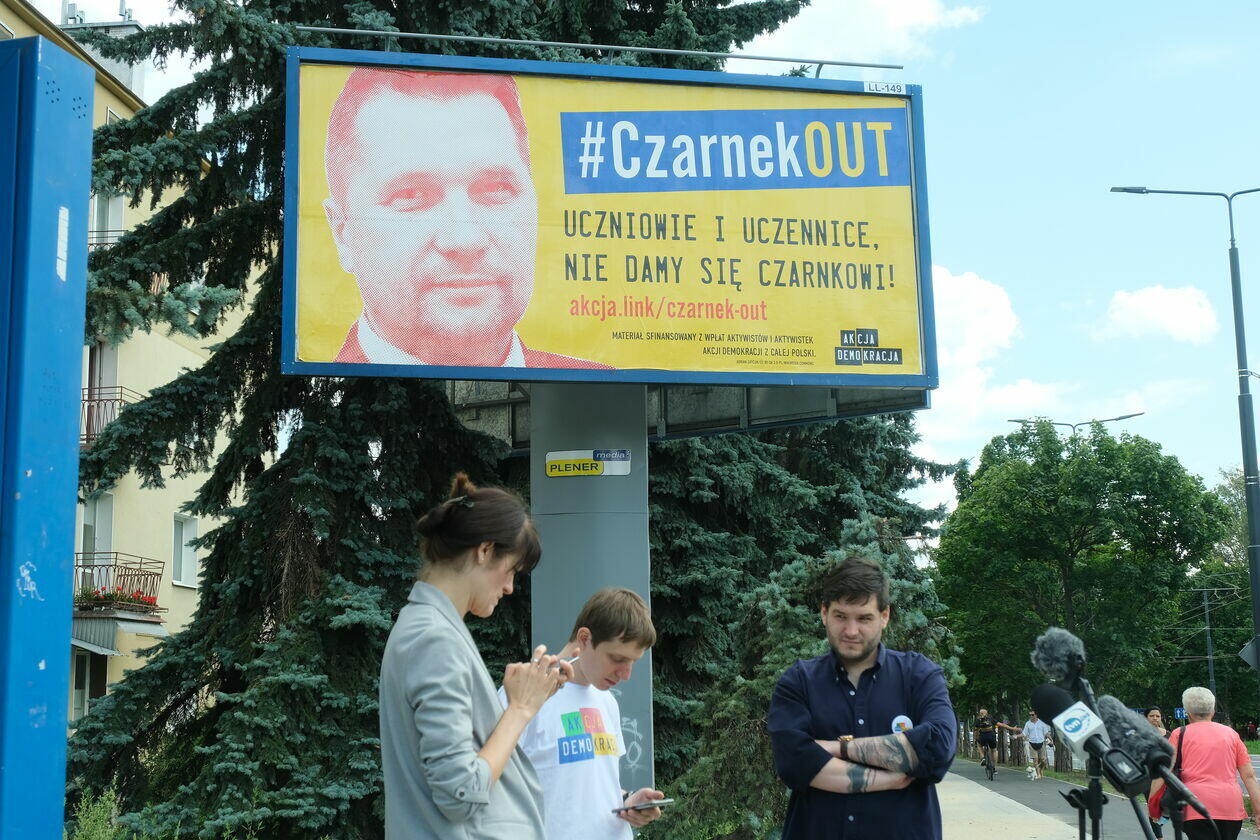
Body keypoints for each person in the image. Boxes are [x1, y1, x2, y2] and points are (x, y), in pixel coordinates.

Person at [322, 68, 612, 371]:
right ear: (343, 233)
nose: (465, 239)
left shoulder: (603, 383)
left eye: (496, 188)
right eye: (410, 194)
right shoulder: (313, 396)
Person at [379, 473, 573, 839]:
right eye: (511, 570)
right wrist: (520, 710)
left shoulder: (427, 627)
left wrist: (532, 694)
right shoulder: (434, 639)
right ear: (484, 550)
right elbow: (461, 794)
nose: (510, 587)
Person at [768, 556, 957, 840]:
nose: (851, 631)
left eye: (864, 618)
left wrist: (836, 748)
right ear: (824, 613)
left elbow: (938, 749)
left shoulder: (920, 675)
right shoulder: (798, 681)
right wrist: (887, 779)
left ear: (884, 616)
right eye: (840, 616)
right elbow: (793, 763)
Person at [503, 587, 666, 840]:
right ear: (584, 638)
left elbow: (593, 785)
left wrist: (628, 800)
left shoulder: (607, 701)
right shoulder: (522, 694)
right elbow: (488, 786)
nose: (626, 674)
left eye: (633, 662)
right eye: (618, 658)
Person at [1149, 686, 1260, 840]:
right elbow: (1249, 776)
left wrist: (1152, 805)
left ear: (1188, 712)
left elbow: (1163, 772)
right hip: (1230, 807)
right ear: (1213, 711)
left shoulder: (1179, 734)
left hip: (1194, 807)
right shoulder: (1231, 734)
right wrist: (1258, 811)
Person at [1014, 709, 1052, 779]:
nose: (1031, 716)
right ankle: (1038, 774)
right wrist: (1017, 736)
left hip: (1041, 743)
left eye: (1032, 715)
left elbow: (1046, 733)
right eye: (1030, 715)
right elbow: (1024, 733)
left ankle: (1041, 770)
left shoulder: (1041, 723)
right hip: (1032, 743)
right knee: (1035, 760)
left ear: (1036, 715)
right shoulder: (1028, 723)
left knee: (1043, 760)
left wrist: (1051, 740)